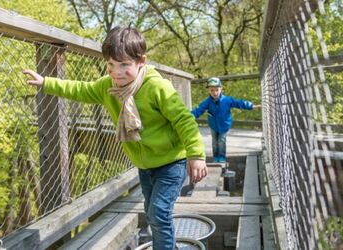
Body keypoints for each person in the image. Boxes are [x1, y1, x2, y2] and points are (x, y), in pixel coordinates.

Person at [23, 26, 207, 250]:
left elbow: (184, 120)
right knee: (152, 213)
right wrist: (46, 82)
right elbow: (80, 89)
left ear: (141, 61)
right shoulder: (107, 87)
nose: (116, 72)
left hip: (171, 162)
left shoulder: (158, 87)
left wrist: (196, 155)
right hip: (144, 166)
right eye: (110, 65)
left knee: (158, 213)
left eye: (124, 65)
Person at [191, 77, 261, 163]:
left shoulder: (227, 100)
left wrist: (250, 105)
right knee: (214, 143)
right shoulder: (208, 102)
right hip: (213, 125)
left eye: (217, 90)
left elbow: (238, 103)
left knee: (221, 141)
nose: (215, 93)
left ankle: (221, 157)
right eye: (212, 90)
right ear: (208, 91)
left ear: (221, 89)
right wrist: (191, 116)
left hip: (224, 125)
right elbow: (199, 109)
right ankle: (215, 157)